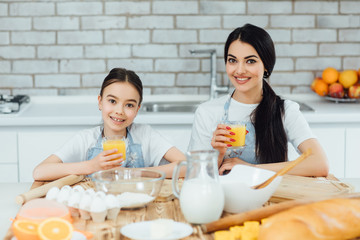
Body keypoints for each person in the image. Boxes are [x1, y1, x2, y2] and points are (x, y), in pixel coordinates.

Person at [188, 23, 329, 177]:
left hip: (273, 198)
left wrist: (250, 169)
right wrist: (218, 154)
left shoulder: (285, 110)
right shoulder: (207, 112)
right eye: (232, 60)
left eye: (250, 61)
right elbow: (194, 175)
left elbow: (319, 164)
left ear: (266, 66)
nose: (239, 70)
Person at [33, 68, 186, 180]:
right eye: (112, 101)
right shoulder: (86, 140)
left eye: (129, 105)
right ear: (100, 102)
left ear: (138, 109)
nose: (119, 111)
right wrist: (91, 166)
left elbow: (188, 166)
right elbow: (39, 172)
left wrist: (137, 173)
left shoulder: (145, 135)